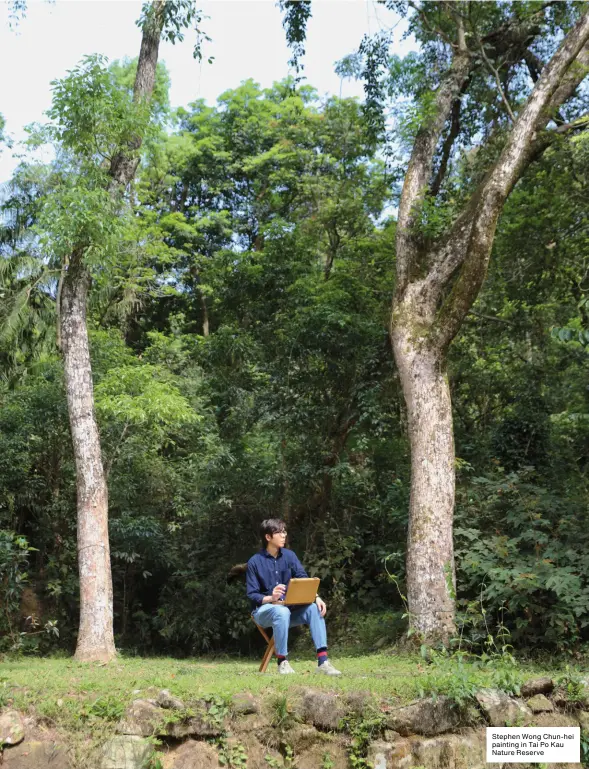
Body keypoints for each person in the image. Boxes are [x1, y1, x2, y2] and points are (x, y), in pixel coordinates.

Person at [246, 518, 341, 675]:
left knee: (313, 608)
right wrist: (271, 597)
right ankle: (282, 662)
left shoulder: (289, 556)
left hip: (288, 611)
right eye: (279, 532)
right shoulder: (254, 562)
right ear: (268, 537)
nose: (284, 535)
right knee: (281, 612)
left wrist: (316, 597)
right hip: (263, 612)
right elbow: (252, 594)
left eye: (284, 531)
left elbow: (303, 578)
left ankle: (323, 662)